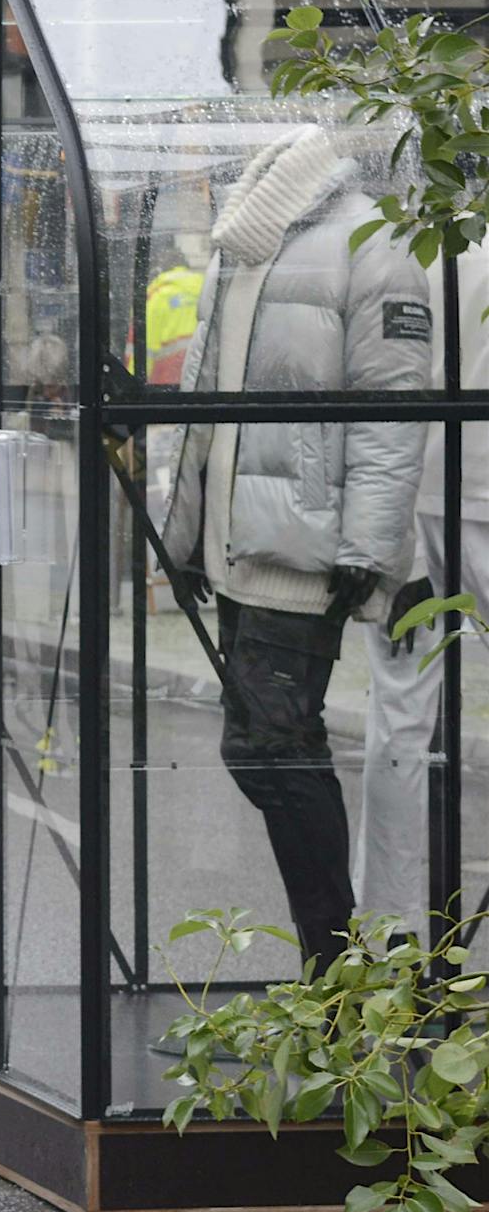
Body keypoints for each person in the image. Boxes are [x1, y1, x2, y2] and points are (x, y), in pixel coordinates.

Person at [161, 126, 428, 970]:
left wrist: (368, 546)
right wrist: (181, 529)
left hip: (306, 546)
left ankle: (338, 968)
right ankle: (340, 968)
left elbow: (395, 406)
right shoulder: (242, 240)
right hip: (235, 541)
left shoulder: (372, 238)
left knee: (274, 744)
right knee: (260, 746)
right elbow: (207, 394)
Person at [354, 239, 489, 929]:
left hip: (411, 493)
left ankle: (388, 934)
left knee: (399, 715)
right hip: (484, 486)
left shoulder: (408, 245)